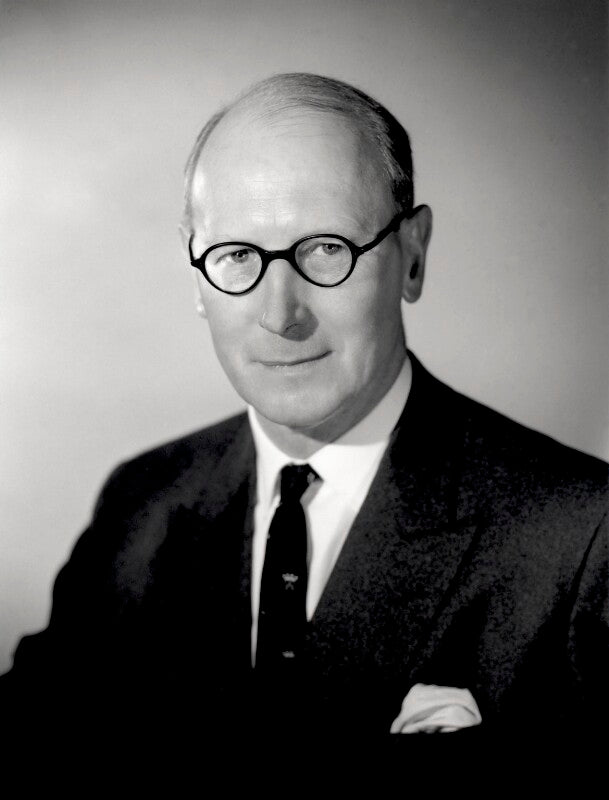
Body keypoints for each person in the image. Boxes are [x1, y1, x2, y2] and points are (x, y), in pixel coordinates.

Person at [2, 73, 607, 745]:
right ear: (196, 276)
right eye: (237, 255)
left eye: (326, 249)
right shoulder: (140, 504)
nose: (281, 314)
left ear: (412, 254)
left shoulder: (582, 538)